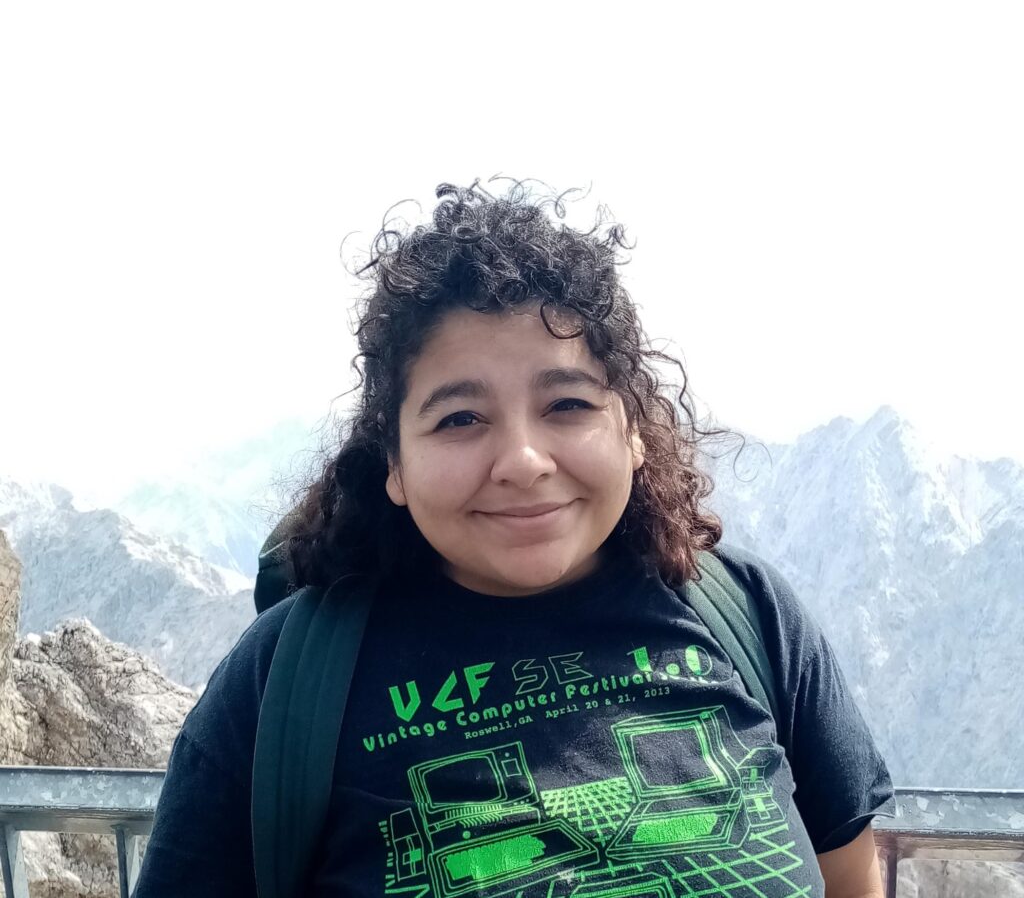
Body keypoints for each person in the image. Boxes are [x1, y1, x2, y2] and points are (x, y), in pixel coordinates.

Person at [133, 180, 894, 898]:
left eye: (567, 403)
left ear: (631, 428)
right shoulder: (283, 685)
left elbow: (850, 877)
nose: (525, 462)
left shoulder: (747, 614)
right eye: (460, 418)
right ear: (393, 462)